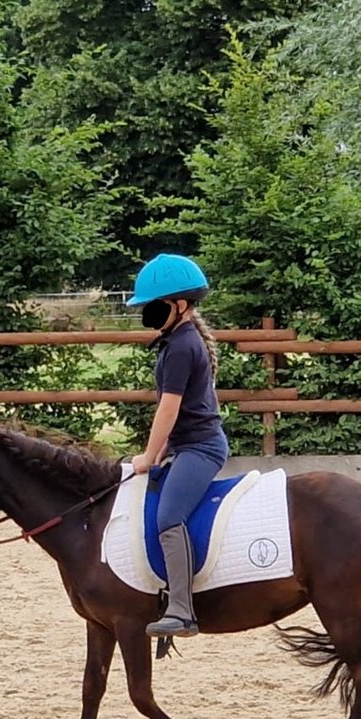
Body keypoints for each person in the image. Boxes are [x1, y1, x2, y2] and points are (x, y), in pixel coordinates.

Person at [126, 253, 228, 638]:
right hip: (186, 445)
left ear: (179, 305)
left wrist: (149, 457)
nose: (147, 315)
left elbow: (168, 411)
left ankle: (183, 610)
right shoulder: (175, 341)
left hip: (201, 448)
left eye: (153, 307)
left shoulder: (183, 346)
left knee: (169, 516)